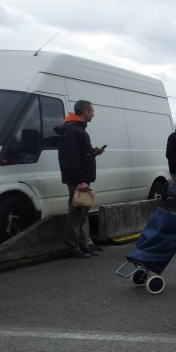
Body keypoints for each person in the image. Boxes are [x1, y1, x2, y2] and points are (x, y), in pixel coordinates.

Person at [56, 100, 104, 259]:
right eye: (92, 111)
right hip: (78, 179)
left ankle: (84, 246)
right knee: (76, 212)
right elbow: (71, 158)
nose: (94, 114)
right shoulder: (72, 130)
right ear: (85, 112)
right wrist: (79, 180)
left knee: (83, 212)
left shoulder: (77, 129)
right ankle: (72, 247)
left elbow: (80, 153)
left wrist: (92, 152)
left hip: (82, 177)